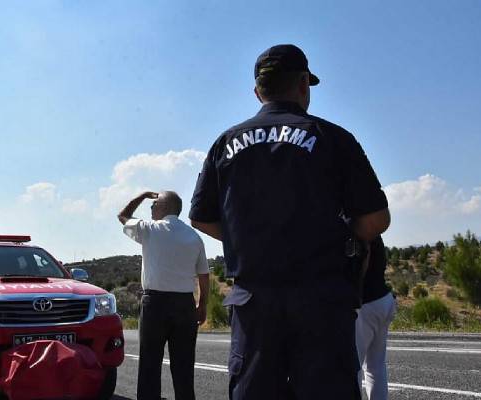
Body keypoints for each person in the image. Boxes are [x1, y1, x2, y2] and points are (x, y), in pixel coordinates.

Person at [189, 44, 390, 400]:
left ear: (257, 92)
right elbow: (376, 219)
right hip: (322, 303)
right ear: (302, 85)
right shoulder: (333, 138)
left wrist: (245, 240)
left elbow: (201, 218)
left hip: (254, 306)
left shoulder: (225, 143)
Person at [118, 190, 210, 400]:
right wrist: (202, 305)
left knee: (149, 366)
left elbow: (123, 216)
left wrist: (140, 195)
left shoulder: (150, 229)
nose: (151, 207)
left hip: (155, 305)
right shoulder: (194, 237)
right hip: (185, 305)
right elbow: (204, 275)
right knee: (184, 368)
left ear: (164, 207)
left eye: (154, 203)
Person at [357, 236, 396, 400]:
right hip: (383, 298)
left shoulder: (354, 229)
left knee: (354, 366)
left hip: (365, 304)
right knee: (376, 366)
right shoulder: (374, 231)